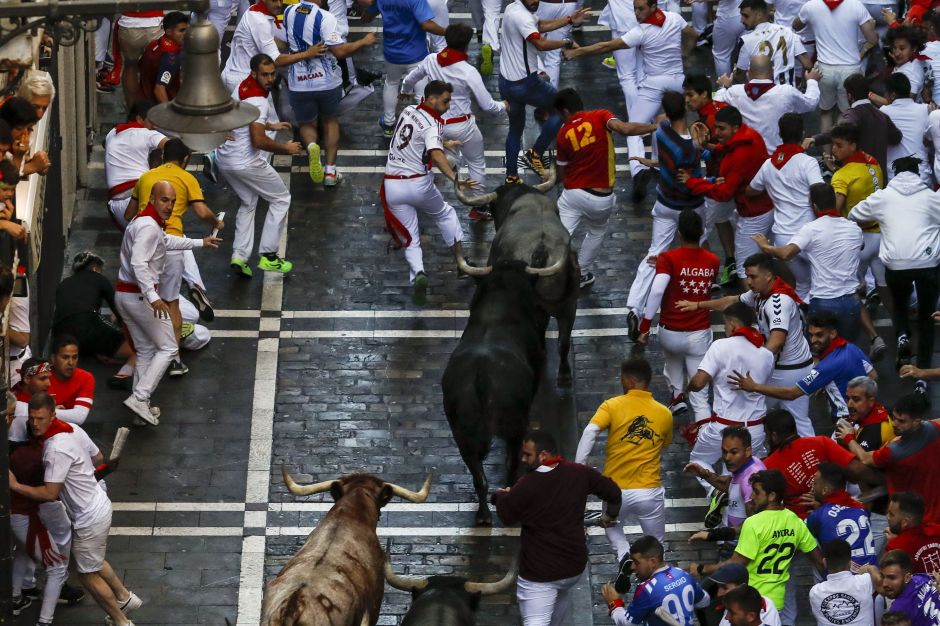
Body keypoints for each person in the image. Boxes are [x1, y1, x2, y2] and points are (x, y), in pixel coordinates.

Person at [8, 393, 143, 626]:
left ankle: (121, 620)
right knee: (93, 559)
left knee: (87, 574)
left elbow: (50, 494)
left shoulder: (55, 449)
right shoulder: (71, 430)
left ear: (52, 415)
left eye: (40, 418)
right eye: (31, 418)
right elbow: (96, 460)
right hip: (97, 506)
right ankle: (124, 598)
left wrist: (16, 486)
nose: (35, 423)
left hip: (88, 517)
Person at [563, 0, 694, 200]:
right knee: (670, 124)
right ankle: (663, 165)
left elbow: (606, 46)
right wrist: (685, 54)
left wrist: (578, 51)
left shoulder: (641, 31)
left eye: (640, 9)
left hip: (653, 86)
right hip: (677, 83)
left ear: (653, 7)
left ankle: (638, 169)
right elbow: (692, 34)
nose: (636, 13)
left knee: (632, 128)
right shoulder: (675, 19)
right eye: (635, 8)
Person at [116, 181, 220, 425]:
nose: (169, 206)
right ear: (152, 199)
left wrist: (200, 242)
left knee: (145, 351)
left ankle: (140, 411)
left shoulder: (145, 223)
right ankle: (140, 398)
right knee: (169, 348)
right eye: (164, 200)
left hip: (125, 295)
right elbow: (139, 264)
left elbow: (167, 241)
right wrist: (153, 297)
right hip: (139, 297)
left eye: (173, 201)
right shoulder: (148, 228)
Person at [493, 430, 621, 626]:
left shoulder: (527, 484)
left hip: (539, 574)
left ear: (543, 455)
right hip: (572, 570)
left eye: (528, 454)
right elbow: (613, 492)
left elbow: (506, 515)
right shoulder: (580, 473)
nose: (523, 459)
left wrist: (499, 496)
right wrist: (609, 516)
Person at [574, 357, 672, 588]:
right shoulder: (664, 413)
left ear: (627, 380)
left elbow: (590, 432)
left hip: (615, 492)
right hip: (649, 491)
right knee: (656, 542)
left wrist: (580, 468)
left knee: (612, 526)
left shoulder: (612, 405)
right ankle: (659, 585)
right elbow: (664, 444)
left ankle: (623, 555)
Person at [692, 253, 815, 437]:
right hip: (788, 367)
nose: (749, 281)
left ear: (768, 276)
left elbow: (777, 339)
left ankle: (749, 450)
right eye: (747, 276)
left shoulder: (777, 302)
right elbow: (730, 301)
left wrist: (754, 362)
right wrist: (698, 305)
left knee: (751, 409)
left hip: (787, 372)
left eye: (753, 277)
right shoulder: (760, 293)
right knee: (793, 418)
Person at [849, 156, 940, 386]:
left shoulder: (883, 197)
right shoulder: (930, 198)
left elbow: (854, 215)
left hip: (895, 265)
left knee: (899, 305)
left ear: (894, 174)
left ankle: (901, 336)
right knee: (927, 318)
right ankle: (923, 376)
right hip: (927, 264)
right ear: (918, 174)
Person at [554, 88, 656, 288]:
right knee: (597, 230)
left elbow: (560, 173)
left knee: (557, 232)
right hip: (602, 199)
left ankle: (550, 266)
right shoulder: (601, 116)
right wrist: (654, 127)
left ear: (565, 112)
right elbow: (626, 129)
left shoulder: (563, 133)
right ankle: (581, 274)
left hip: (573, 195)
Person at [380, 80, 470, 306]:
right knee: (445, 213)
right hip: (418, 184)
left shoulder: (409, 110)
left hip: (392, 185)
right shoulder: (433, 125)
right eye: (446, 101)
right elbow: (436, 155)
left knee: (411, 237)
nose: (449, 106)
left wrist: (444, 143)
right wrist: (455, 179)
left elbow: (415, 140)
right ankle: (461, 262)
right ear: (431, 99)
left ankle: (419, 273)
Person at [625, 92, 707, 337]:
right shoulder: (689, 147)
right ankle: (689, 301)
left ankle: (634, 307)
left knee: (654, 254)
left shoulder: (660, 131)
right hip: (690, 207)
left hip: (664, 203)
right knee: (695, 253)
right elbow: (699, 164)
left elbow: (661, 162)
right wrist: (705, 146)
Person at [401, 23, 507, 209]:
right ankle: (478, 206)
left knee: (441, 153)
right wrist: (504, 106)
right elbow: (487, 105)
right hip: (462, 126)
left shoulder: (432, 59)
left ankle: (453, 162)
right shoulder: (468, 72)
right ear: (466, 44)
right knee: (476, 163)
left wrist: (405, 91)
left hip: (436, 124)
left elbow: (411, 78)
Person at [691, 469, 824, 615]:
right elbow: (818, 560)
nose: (752, 496)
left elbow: (735, 564)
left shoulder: (753, 523)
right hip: (775, 605)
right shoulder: (795, 522)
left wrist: (702, 569)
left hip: (750, 602)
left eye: (756, 492)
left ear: (772, 496)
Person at [216, 54, 300, 277]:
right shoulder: (259, 102)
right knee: (281, 199)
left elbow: (242, 117)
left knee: (248, 202)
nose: (269, 78)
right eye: (265, 74)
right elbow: (259, 141)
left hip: (225, 159)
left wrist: (270, 124)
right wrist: (287, 149)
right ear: (254, 73)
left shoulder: (243, 86)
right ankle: (269, 256)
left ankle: (239, 256)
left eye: (272, 74)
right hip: (245, 162)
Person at [755, 184, 867, 347]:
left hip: (823, 302)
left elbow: (786, 253)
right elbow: (861, 246)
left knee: (818, 353)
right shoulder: (853, 228)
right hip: (851, 301)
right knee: (847, 350)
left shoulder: (811, 229)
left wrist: (765, 246)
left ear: (814, 206)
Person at [283, 0, 377, 187]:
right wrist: (364, 41)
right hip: (327, 82)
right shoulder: (326, 18)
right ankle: (330, 171)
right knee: (330, 120)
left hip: (299, 82)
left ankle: (311, 147)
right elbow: (340, 51)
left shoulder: (288, 12)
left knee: (306, 123)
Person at [638, 208, 717, 420]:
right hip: (699, 334)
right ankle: (703, 430)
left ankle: (676, 395)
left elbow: (656, 291)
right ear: (701, 231)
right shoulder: (712, 260)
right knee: (700, 397)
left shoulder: (668, 259)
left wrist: (644, 326)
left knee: (671, 361)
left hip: (670, 333)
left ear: (679, 233)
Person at [685, 303, 775, 489]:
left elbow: (699, 382)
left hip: (724, 427)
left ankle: (715, 494)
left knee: (698, 459)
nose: (726, 329)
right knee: (743, 474)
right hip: (756, 429)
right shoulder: (766, 354)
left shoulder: (720, 347)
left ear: (733, 324)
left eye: (726, 324)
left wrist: (689, 387)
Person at [497, 0, 587, 183]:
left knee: (515, 130)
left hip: (506, 82)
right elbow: (540, 43)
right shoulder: (522, 16)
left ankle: (512, 176)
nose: (535, 1)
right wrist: (567, 42)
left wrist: (569, 20)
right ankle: (536, 153)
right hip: (527, 84)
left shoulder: (512, 8)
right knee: (561, 109)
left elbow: (540, 24)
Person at [681, 106, 772, 286]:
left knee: (744, 268)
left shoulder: (740, 155)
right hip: (762, 207)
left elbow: (723, 194)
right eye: (716, 127)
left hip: (753, 214)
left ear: (735, 128)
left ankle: (753, 309)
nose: (716, 132)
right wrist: (710, 147)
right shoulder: (750, 136)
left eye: (721, 128)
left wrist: (693, 182)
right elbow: (726, 148)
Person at [730, 311, 874, 422]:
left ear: (833, 333)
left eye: (819, 335)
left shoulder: (827, 366)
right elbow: (873, 375)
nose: (813, 340)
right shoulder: (852, 348)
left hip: (846, 421)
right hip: (867, 414)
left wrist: (754, 386)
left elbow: (792, 393)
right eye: (811, 335)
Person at [747, 113, 823, 299]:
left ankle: (801, 322)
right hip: (807, 235)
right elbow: (819, 192)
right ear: (802, 133)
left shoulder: (768, 165)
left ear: (780, 134)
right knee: (823, 284)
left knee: (803, 284)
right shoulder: (808, 162)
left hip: (782, 237)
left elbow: (751, 190)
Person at [760, 410, 882, 519]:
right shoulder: (821, 442)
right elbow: (857, 470)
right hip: (837, 517)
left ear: (774, 436)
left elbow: (767, 505)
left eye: (767, 434)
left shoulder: (768, 465)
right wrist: (888, 482)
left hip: (800, 528)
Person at [844, 393, 940, 524]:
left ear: (917, 421)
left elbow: (865, 458)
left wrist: (849, 438)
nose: (894, 424)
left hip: (909, 518)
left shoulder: (894, 451)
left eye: (901, 421)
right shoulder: (934, 428)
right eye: (894, 418)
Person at [52, 251, 137, 389]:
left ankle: (95, 351)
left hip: (60, 332)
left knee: (93, 333)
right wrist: (129, 332)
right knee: (140, 348)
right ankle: (123, 374)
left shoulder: (64, 283)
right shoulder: (98, 278)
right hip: (87, 322)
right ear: (95, 268)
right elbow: (119, 309)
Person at [791, 0, 877, 131]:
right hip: (850, 70)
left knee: (826, 113)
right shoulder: (856, 5)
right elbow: (872, 39)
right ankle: (839, 150)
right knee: (846, 114)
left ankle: (826, 152)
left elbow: (796, 26)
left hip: (824, 69)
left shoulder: (811, 6)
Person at [683, 74, 736, 284]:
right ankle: (731, 262)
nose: (687, 100)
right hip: (731, 177)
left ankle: (707, 276)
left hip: (719, 180)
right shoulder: (722, 105)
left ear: (704, 94)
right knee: (724, 220)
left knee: (700, 228)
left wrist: (703, 150)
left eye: (690, 95)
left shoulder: (705, 123)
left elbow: (718, 150)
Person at [370, 0, 446, 139]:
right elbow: (426, 24)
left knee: (391, 83)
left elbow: (368, 14)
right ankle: (425, 125)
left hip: (392, 52)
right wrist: (447, 32)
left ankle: (388, 124)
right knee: (421, 90)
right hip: (415, 53)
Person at [835, 376, 894, 554]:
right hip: (879, 501)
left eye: (856, 399)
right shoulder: (877, 413)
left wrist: (848, 440)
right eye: (848, 398)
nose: (850, 404)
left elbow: (859, 466)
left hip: (882, 508)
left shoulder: (873, 430)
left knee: (872, 560)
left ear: (871, 400)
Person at [714, 55, 820, 152]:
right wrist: (812, 81)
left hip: (747, 156)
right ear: (773, 72)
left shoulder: (735, 92)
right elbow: (811, 103)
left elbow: (715, 102)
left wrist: (724, 87)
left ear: (748, 73)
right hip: (778, 157)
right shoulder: (786, 92)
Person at [220, 0, 328, 92]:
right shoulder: (260, 21)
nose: (279, 5)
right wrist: (307, 53)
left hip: (239, 75)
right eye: (274, 0)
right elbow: (276, 60)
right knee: (266, 116)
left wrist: (293, 48)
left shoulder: (255, 10)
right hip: (245, 82)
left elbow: (270, 39)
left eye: (281, 0)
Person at [807, 73, 902, 175]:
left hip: (858, 179)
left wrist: (815, 139)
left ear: (849, 96)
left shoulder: (853, 114)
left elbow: (840, 132)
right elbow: (896, 138)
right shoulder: (882, 116)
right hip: (880, 178)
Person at [602, 536, 710, 626]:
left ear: (652, 562)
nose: (632, 567)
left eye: (636, 562)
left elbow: (627, 623)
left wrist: (615, 604)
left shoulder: (646, 589)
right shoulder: (683, 574)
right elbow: (704, 600)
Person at [684, 425, 767, 530]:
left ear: (747, 451)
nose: (727, 458)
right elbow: (732, 484)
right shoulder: (749, 463)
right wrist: (704, 474)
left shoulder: (750, 480)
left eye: (734, 452)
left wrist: (714, 535)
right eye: (724, 451)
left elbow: (756, 524)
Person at [103, 101, 167, 231]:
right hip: (140, 197)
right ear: (139, 118)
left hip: (116, 207)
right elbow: (172, 147)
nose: (155, 125)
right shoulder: (147, 134)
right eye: (152, 121)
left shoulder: (112, 133)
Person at [806, 463, 878, 569]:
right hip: (871, 577)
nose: (812, 487)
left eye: (815, 483)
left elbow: (800, 534)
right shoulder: (861, 508)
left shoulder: (818, 516)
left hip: (843, 579)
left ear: (825, 490)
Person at [735, 0, 811, 84]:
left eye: (745, 16)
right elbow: (808, 65)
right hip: (787, 93)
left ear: (759, 15)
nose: (742, 20)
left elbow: (739, 76)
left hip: (760, 94)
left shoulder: (746, 40)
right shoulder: (788, 33)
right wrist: (804, 85)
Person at [810, 540, 877, 626]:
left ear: (825, 562)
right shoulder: (866, 581)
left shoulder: (815, 592)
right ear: (850, 563)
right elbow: (880, 579)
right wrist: (870, 568)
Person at [879, 74, 930, 182]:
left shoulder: (883, 112)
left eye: (885, 93)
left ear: (892, 95)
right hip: (922, 176)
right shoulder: (926, 109)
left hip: (895, 179)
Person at [871, 550, 940, 626]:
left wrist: (870, 569)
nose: (884, 583)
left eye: (892, 578)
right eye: (883, 577)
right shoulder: (921, 578)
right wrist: (870, 568)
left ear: (907, 577)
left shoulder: (899, 610)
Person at [116, 9, 164, 108]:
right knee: (155, 67)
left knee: (130, 65)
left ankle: (132, 109)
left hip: (129, 23)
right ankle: (154, 106)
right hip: (154, 23)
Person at [136, 12, 188, 103]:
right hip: (154, 109)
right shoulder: (171, 57)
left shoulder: (154, 44)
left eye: (187, 30)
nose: (186, 34)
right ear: (168, 31)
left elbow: (139, 68)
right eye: (181, 30)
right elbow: (159, 89)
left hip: (142, 104)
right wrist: (167, 114)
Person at [885, 492, 940, 575]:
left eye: (891, 514)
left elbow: (889, 582)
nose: (887, 517)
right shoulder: (937, 530)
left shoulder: (894, 548)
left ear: (905, 522)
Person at [47, 335, 95, 426]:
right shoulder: (42, 376)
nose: (71, 363)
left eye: (74, 357)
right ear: (53, 358)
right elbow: (28, 411)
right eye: (65, 357)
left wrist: (49, 412)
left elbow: (79, 417)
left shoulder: (86, 378)